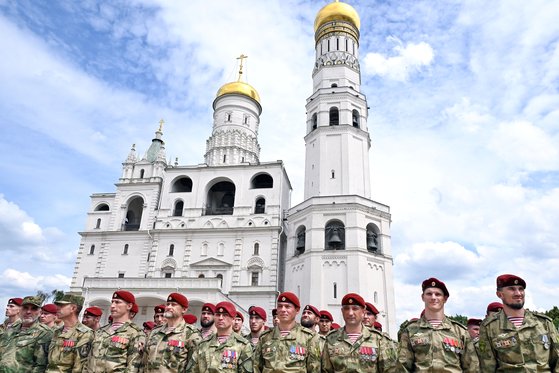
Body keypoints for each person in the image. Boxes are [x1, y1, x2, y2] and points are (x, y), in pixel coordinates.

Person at [478, 274, 559, 371]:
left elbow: (557, 359)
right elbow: (487, 367)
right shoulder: (489, 326)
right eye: (511, 289)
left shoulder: (544, 323)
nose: (518, 293)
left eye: (521, 289)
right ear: (499, 294)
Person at [397, 277, 479, 372]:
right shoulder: (410, 330)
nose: (433, 297)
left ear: (445, 298)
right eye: (429, 294)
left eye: (438, 294)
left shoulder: (460, 331)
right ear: (423, 297)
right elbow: (402, 366)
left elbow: (472, 367)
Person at [321, 293, 396, 372]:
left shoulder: (379, 339)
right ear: (342, 311)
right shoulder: (331, 339)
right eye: (346, 308)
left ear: (363, 311)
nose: (350, 313)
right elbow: (325, 370)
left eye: (355, 308)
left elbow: (389, 370)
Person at [254, 291, 321, 372]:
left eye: (287, 306)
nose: (283, 310)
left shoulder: (309, 337)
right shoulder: (265, 337)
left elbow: (314, 369)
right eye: (280, 306)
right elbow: (256, 367)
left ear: (297, 310)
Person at [87, 290, 145, 372]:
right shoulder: (100, 331)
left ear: (129, 306)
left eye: (117, 302)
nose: (112, 306)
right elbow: (88, 360)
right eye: (112, 302)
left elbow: (133, 367)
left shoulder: (136, 333)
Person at [143, 292, 201, 372]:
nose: (169, 307)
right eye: (168, 304)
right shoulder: (155, 332)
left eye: (173, 304)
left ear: (184, 310)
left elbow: (195, 367)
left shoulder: (191, 334)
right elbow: (144, 361)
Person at [189, 301, 253, 372]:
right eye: (218, 315)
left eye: (225, 315)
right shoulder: (203, 344)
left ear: (233, 319)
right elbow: (192, 370)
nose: (220, 318)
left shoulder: (243, 345)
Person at [0, 295, 53, 372]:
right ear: (20, 310)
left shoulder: (45, 333)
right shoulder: (11, 329)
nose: (28, 312)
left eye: (34, 309)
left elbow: (40, 366)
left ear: (39, 312)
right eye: (25, 308)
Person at [46, 293, 94, 372]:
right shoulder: (57, 332)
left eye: (61, 306)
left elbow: (79, 368)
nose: (57, 308)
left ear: (73, 308)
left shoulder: (85, 333)